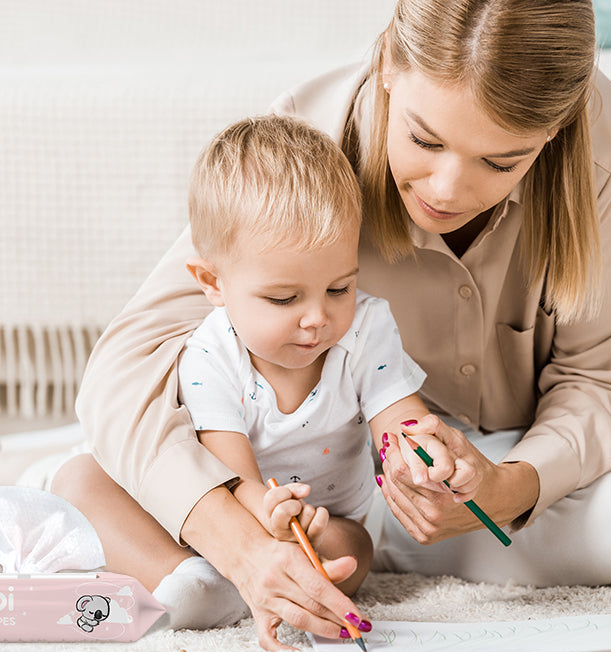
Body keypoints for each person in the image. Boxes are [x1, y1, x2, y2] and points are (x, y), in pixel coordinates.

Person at [54, 0, 611, 652]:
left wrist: (504, 491)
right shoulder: (304, 145)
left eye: (499, 163)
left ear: (554, 131)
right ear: (387, 65)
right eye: (424, 139)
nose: (447, 188)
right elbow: (127, 365)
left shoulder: (602, 146)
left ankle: (358, 546)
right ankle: (289, 550)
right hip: (299, 469)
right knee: (110, 457)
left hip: (473, 463)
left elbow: (600, 384)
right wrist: (240, 544)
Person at [176, 115, 439, 600]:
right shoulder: (209, 356)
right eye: (284, 299)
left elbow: (399, 418)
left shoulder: (365, 325)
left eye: (339, 287)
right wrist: (268, 509)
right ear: (214, 283)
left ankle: (235, 586)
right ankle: (207, 582)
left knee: (352, 553)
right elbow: (231, 478)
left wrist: (424, 455)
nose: (318, 317)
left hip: (336, 518)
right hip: (244, 512)